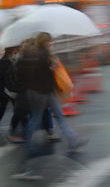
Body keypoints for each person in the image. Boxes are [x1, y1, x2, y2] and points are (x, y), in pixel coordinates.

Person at [11, 32, 88, 181]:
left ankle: (73, 140)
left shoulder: (28, 55)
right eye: (50, 42)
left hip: (41, 91)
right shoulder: (42, 55)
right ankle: (27, 143)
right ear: (44, 42)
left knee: (59, 115)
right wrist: (52, 65)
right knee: (36, 118)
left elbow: (25, 74)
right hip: (41, 92)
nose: (51, 44)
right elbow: (43, 73)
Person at [0, 46, 26, 143]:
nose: (18, 51)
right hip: (7, 91)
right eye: (16, 49)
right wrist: (15, 89)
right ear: (11, 50)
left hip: (6, 90)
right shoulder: (5, 61)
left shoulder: (8, 60)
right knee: (16, 109)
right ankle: (16, 130)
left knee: (4, 108)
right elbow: (8, 78)